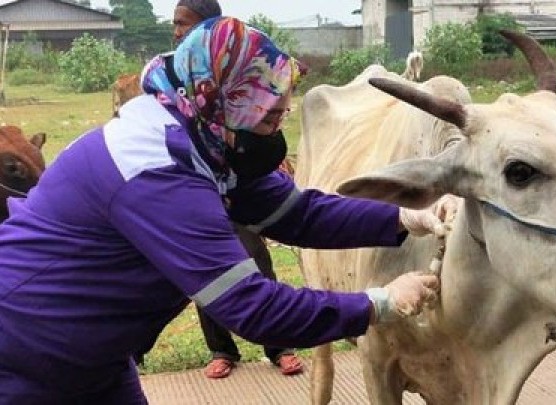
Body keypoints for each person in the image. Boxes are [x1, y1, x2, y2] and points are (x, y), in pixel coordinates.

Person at [0, 17, 446, 403]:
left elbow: (298, 214)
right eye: (269, 118)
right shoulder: (156, 170)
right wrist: (379, 303)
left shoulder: (208, 138)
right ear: (224, 103)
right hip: (26, 352)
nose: (276, 132)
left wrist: (402, 218)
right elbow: (253, 307)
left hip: (96, 357)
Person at [170, 0, 304, 379]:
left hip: (239, 184)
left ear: (209, 26)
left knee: (255, 261)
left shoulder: (241, 72)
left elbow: (267, 123)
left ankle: (278, 346)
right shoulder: (175, 77)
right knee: (205, 270)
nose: (178, 31)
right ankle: (221, 349)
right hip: (195, 188)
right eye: (175, 24)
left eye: (185, 23)